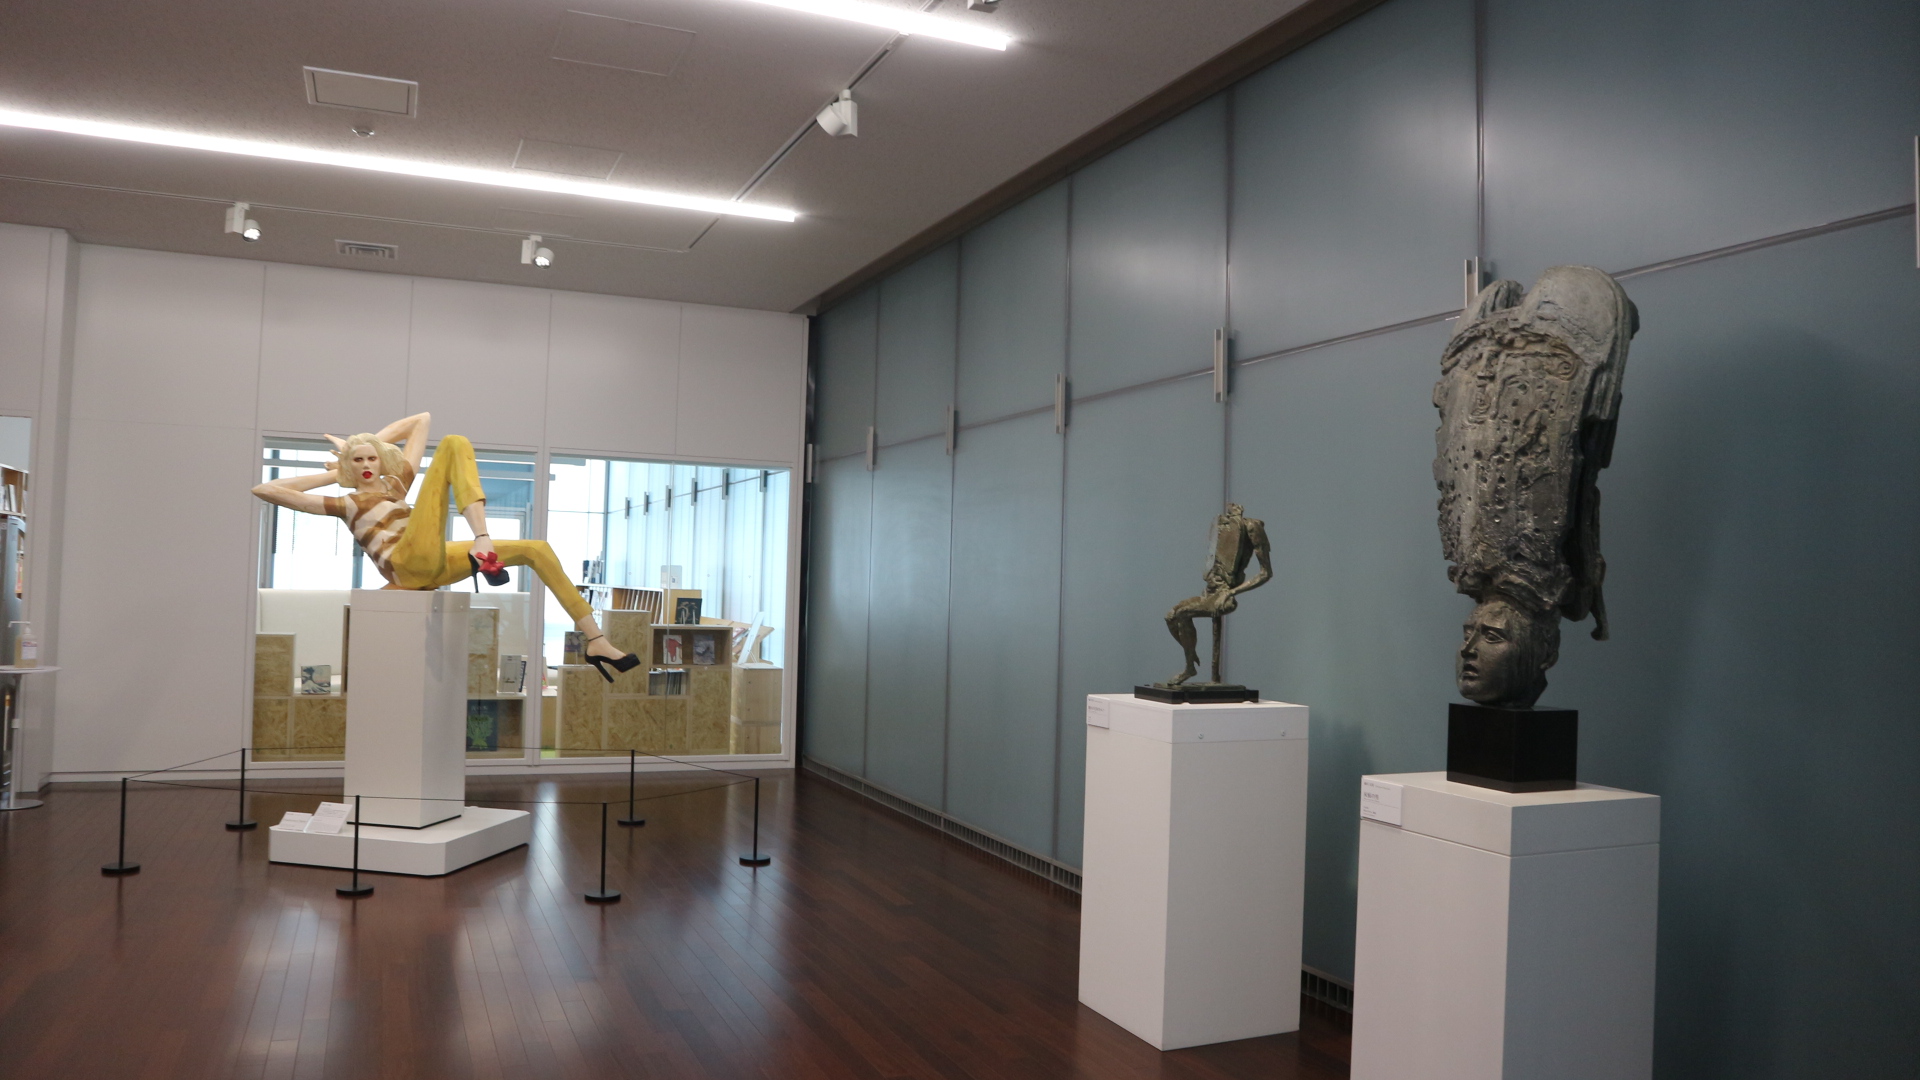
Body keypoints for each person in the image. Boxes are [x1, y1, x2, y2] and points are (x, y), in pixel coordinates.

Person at [251, 412, 640, 682]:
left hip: (433, 565)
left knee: (536, 549)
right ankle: (482, 540)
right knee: (453, 443)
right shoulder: (346, 502)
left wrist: (368, 441)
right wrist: (336, 474)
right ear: (350, 466)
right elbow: (265, 489)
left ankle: (596, 640)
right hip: (405, 563)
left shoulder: (397, 487)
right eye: (359, 460)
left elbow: (420, 420)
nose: (367, 463)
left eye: (372, 457)